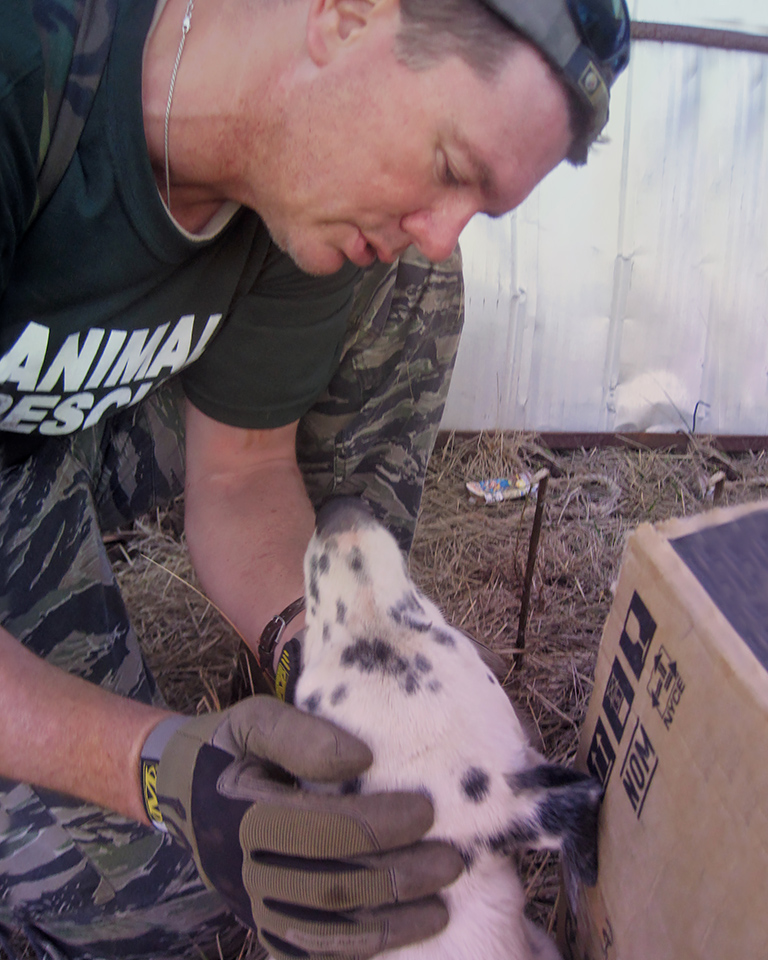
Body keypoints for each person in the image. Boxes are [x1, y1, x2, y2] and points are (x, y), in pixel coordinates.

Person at [0, 0, 630, 957]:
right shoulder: (25, 72)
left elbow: (242, 472)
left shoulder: (298, 189)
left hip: (51, 416)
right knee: (143, 889)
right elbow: (145, 773)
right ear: (348, 15)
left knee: (190, 903)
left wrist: (323, 655)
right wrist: (157, 767)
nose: (441, 233)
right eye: (452, 170)